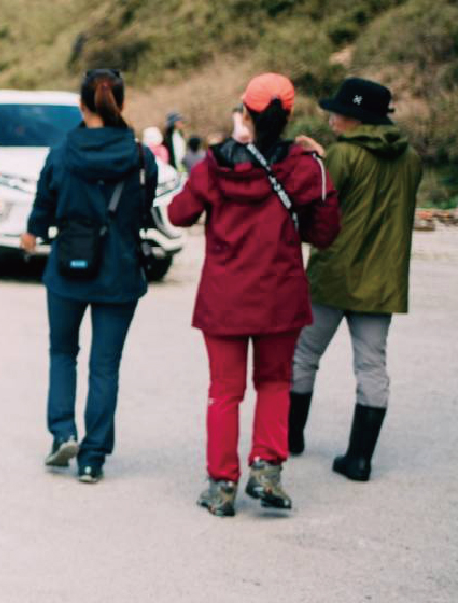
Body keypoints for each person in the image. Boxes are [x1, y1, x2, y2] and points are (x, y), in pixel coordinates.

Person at [168, 73, 340, 517]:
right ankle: (266, 469)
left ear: (245, 112)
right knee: (275, 383)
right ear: (288, 117)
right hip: (280, 297)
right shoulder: (305, 166)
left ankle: (221, 486)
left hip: (224, 298)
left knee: (224, 392)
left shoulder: (214, 164)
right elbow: (325, 232)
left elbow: (179, 213)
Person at [22, 68, 156, 484]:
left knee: (63, 353)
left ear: (82, 105)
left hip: (69, 269)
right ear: (121, 103)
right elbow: (143, 206)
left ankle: (63, 432)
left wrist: (33, 234)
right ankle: (93, 457)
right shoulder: (139, 156)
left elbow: (44, 206)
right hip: (119, 271)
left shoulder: (61, 152)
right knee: (105, 366)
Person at [289, 77, 421, 481]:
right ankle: (360, 458)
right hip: (383, 280)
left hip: (334, 274)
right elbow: (374, 184)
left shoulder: (343, 156)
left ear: (353, 117)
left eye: (336, 111)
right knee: (371, 366)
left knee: (303, 355)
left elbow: (321, 201)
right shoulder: (411, 159)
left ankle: (291, 438)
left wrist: (318, 160)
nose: (331, 116)